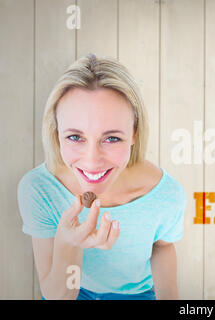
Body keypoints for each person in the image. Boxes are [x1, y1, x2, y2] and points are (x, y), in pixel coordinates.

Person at [17, 53, 186, 300]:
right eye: (75, 137)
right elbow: (59, 295)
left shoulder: (165, 194)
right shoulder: (40, 189)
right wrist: (68, 243)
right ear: (56, 133)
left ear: (135, 133)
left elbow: (162, 246)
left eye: (112, 138)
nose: (92, 160)